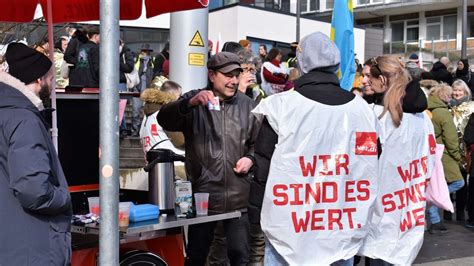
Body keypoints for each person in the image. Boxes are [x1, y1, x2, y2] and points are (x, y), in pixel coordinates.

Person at [249, 32, 378, 265]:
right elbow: (368, 162)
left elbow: (263, 165)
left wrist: (256, 212)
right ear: (336, 65)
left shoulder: (282, 106)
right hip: (342, 224)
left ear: (301, 63)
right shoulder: (363, 111)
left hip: (290, 226)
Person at [158, 52, 261, 265]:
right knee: (196, 256)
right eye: (228, 75)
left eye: (236, 75)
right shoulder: (194, 100)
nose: (233, 80)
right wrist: (188, 103)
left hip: (238, 197)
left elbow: (260, 144)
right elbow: (164, 119)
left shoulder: (249, 106)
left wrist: (250, 158)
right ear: (212, 75)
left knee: (240, 257)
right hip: (202, 197)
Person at [0, 43, 72, 265]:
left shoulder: (9, 113)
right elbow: (33, 190)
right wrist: (63, 197)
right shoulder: (24, 120)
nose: (53, 83)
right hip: (31, 246)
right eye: (51, 78)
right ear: (40, 79)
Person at [359, 56, 435, 265]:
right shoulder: (423, 118)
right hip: (408, 214)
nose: (364, 82)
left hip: (379, 217)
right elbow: (430, 161)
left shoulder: (375, 116)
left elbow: (361, 165)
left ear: (382, 80)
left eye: (369, 77)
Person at [427, 84, 465, 234]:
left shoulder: (428, 110)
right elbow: (451, 138)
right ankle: (432, 203)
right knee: (458, 182)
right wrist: (457, 156)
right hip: (444, 155)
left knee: (433, 185)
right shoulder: (443, 113)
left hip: (431, 152)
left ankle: (435, 220)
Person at [449, 79, 474, 221]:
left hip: (466, 150)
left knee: (463, 182)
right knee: (449, 180)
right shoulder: (448, 106)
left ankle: (460, 214)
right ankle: (447, 212)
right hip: (450, 149)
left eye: (460, 90)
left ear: (465, 92)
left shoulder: (471, 107)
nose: (457, 93)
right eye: (455, 90)